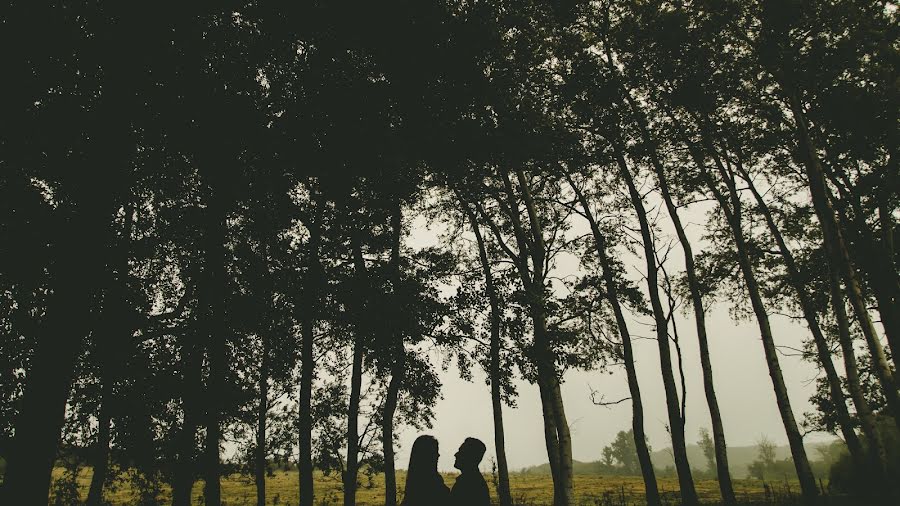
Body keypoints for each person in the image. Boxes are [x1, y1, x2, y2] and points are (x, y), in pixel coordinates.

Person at [401, 435, 450, 506]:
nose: (438, 455)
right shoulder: (433, 482)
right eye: (435, 451)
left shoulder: (414, 483)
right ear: (426, 454)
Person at [450, 438, 490, 506]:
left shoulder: (468, 484)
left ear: (469, 457)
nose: (456, 454)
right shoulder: (474, 482)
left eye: (461, 452)